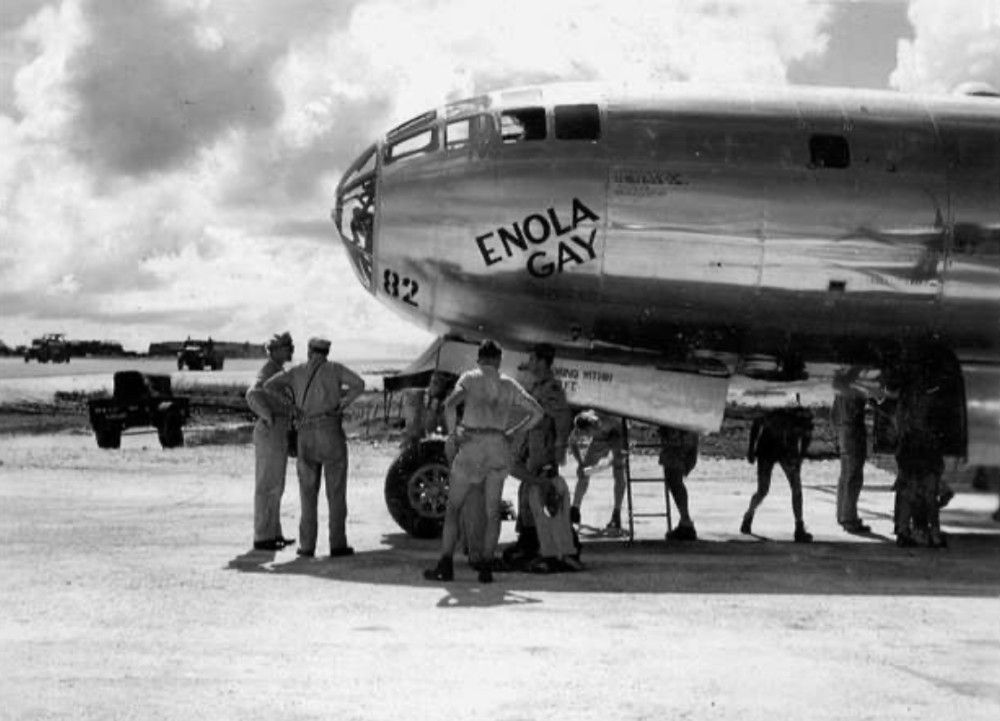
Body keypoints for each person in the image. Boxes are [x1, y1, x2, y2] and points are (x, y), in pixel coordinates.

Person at [423, 340, 543, 584]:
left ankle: (445, 565)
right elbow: (537, 412)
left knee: (454, 508)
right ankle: (486, 567)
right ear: (498, 360)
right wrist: (515, 432)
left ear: (479, 358)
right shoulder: (509, 384)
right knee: (492, 513)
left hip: (472, 446)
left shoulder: (470, 378)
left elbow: (450, 404)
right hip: (498, 447)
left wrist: (453, 433)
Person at [264, 337, 365, 558]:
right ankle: (338, 544)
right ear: (326, 352)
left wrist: (291, 406)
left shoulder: (297, 371)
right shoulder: (335, 369)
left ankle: (307, 546)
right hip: (331, 431)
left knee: (307, 494)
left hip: (306, 434)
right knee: (336, 493)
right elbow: (360, 384)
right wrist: (342, 404)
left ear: (309, 351)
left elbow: (268, 386)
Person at [506, 343, 579, 573]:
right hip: (533, 450)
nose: (530, 363)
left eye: (533, 359)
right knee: (527, 495)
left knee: (544, 497)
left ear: (542, 362)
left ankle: (560, 548)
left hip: (544, 451)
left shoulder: (551, 388)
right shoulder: (537, 387)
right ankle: (529, 543)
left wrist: (559, 449)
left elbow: (563, 419)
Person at [244, 332, 296, 551]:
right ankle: (263, 536)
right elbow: (252, 394)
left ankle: (273, 533)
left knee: (276, 484)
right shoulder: (268, 371)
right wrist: (268, 416)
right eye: (286, 347)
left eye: (290, 346)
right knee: (268, 484)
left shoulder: (276, 370)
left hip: (278, 430)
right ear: (274, 350)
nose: (290, 350)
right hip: (271, 430)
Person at [741, 399, 814, 542]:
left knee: (793, 488)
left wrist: (800, 456)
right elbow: (757, 423)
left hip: (781, 449)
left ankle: (799, 525)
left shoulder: (798, 415)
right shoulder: (777, 412)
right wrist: (751, 448)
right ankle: (749, 515)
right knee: (765, 490)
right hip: (769, 448)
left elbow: (806, 436)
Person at [569, 410, 627, 532]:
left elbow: (612, 460)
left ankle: (616, 514)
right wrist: (581, 463)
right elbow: (572, 442)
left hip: (617, 434)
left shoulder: (607, 422)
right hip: (599, 439)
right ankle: (575, 510)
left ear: (592, 427)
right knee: (583, 472)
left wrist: (613, 459)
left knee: (619, 470)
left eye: (587, 434)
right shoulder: (582, 422)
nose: (585, 437)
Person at [831, 366, 872, 534]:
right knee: (853, 477)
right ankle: (849, 517)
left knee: (845, 476)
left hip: (843, 433)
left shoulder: (839, 394)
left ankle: (843, 515)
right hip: (853, 433)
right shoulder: (853, 393)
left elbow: (832, 416)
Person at [658, 425, 701, 541]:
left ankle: (686, 521)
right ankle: (685, 521)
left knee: (674, 480)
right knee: (674, 481)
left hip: (678, 435)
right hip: (685, 432)